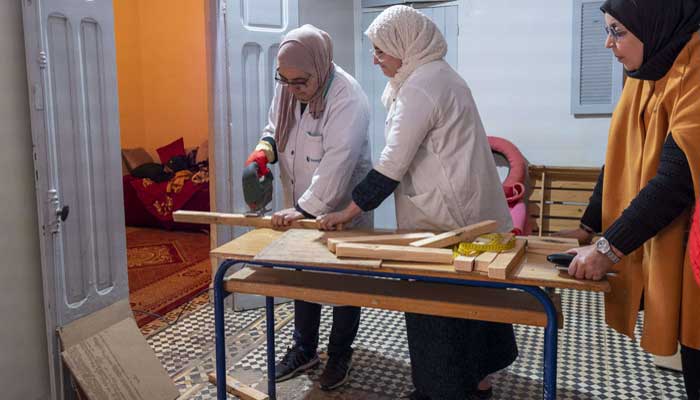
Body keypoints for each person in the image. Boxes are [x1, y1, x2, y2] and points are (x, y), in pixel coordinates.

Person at [317, 6, 516, 399]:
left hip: (450, 221)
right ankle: (478, 382)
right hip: (469, 211)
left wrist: (348, 212)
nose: (375, 60)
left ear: (404, 46)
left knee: (437, 311)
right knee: (476, 306)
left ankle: (442, 391)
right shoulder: (438, 75)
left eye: (380, 50)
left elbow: (392, 163)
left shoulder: (422, 86)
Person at [557, 1, 700, 398]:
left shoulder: (696, 71)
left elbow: (676, 179)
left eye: (618, 31)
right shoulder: (648, 70)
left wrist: (608, 248)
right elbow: (621, 154)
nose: (607, 43)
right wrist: (588, 228)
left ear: (654, 24)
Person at [244, 24, 373, 390]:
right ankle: (305, 349)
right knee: (303, 274)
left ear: (321, 67)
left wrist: (303, 210)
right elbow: (275, 125)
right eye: (284, 80)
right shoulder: (290, 84)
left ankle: (340, 353)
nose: (291, 89)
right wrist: (264, 149)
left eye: (299, 82)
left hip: (342, 205)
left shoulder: (348, 99)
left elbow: (336, 168)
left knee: (344, 284)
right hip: (300, 200)